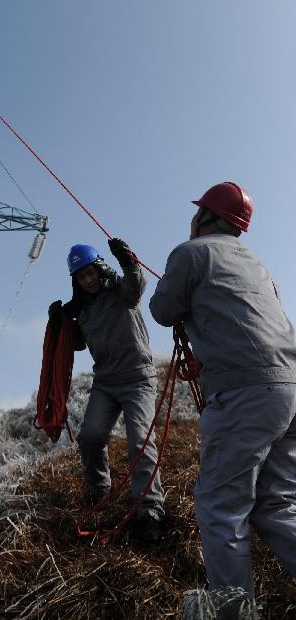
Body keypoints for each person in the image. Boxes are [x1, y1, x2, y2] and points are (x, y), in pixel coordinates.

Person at [149, 182, 296, 594]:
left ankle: (234, 610)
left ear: (206, 217)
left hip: (246, 394)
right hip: (290, 392)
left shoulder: (191, 252)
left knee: (222, 509)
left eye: (197, 212)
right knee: (278, 506)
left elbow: (162, 311)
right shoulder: (258, 265)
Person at [50, 238, 165, 543]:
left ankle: (150, 508)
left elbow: (138, 284)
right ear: (76, 280)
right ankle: (100, 491)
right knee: (90, 435)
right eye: (81, 276)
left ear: (100, 269)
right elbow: (75, 344)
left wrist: (127, 260)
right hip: (105, 383)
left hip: (137, 378)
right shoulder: (82, 311)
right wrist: (59, 323)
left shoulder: (122, 293)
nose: (87, 280)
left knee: (139, 441)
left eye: (90, 272)